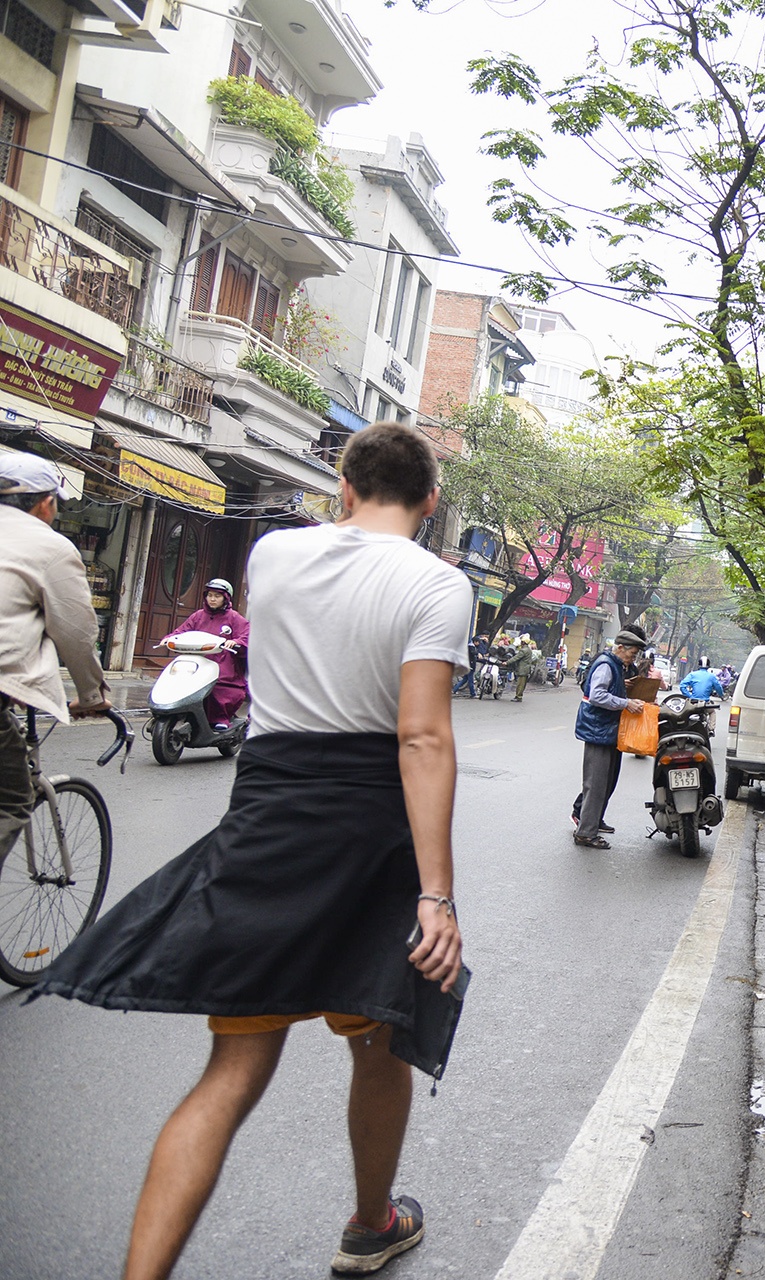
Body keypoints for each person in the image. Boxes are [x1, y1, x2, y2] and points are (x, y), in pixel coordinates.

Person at [35, 422, 471, 1278]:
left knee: (231, 1069)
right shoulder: (437, 584)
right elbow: (421, 737)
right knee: (377, 1039)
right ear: (430, 501)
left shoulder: (273, 555)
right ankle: (371, 1223)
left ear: (344, 487)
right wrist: (437, 895)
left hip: (268, 812)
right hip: (368, 827)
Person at [1, 453, 112, 861]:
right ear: (46, 503)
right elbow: (77, 633)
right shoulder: (51, 547)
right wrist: (92, 694)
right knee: (13, 797)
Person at [572, 628, 645, 848]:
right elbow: (597, 695)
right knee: (595, 785)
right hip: (598, 731)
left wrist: (624, 690)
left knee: (606, 782)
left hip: (609, 731)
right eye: (632, 654)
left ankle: (592, 824)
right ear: (620, 648)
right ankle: (585, 833)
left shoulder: (618, 665)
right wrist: (626, 703)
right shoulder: (606, 664)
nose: (633, 658)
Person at [163, 577, 249, 729]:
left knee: (219, 688)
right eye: (210, 595)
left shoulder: (234, 617)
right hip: (197, 662)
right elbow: (182, 630)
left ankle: (220, 719)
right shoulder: (198, 616)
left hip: (222, 664)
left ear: (225, 598)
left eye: (217, 596)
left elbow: (246, 635)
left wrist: (236, 642)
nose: (212, 599)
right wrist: (169, 638)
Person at [453, 633, 486, 698]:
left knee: (465, 679)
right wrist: (478, 654)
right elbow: (473, 653)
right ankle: (473, 694)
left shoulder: (471, 647)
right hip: (470, 665)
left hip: (468, 664)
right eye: (478, 642)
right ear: (475, 642)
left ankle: (455, 689)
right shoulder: (471, 647)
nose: (479, 644)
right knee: (470, 680)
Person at [510, 635, 539, 702]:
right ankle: (518, 696)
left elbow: (516, 658)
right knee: (522, 684)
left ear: (523, 642)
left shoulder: (523, 650)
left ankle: (518, 696)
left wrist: (507, 662)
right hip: (526, 669)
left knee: (520, 684)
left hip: (522, 669)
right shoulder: (528, 649)